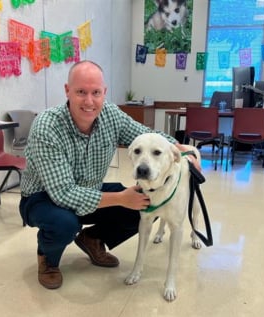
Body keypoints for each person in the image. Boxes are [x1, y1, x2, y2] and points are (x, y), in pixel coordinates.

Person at [19, 60, 198, 290]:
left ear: (104, 93)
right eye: (81, 92)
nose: (89, 101)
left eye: (96, 92)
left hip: (89, 190)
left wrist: (180, 148)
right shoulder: (47, 126)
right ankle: (48, 259)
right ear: (67, 91)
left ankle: (92, 239)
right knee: (65, 222)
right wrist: (122, 198)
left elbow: (146, 134)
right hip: (42, 198)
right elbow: (63, 194)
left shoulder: (110, 115)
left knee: (142, 208)